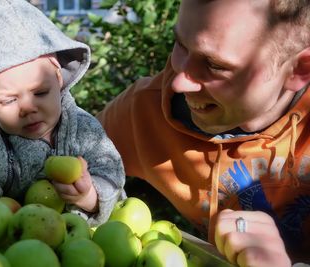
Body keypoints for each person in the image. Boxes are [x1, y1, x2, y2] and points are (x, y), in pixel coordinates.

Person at [97, 0, 310, 265]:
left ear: (301, 69)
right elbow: (68, 156)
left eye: (214, 65)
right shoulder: (145, 110)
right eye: (180, 45)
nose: (179, 81)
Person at [0, 0, 125, 226]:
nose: (27, 108)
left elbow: (110, 168)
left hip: (84, 235)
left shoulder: (83, 130)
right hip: (18, 243)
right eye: (9, 100)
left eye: (40, 92)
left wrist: (91, 197)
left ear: (59, 78)